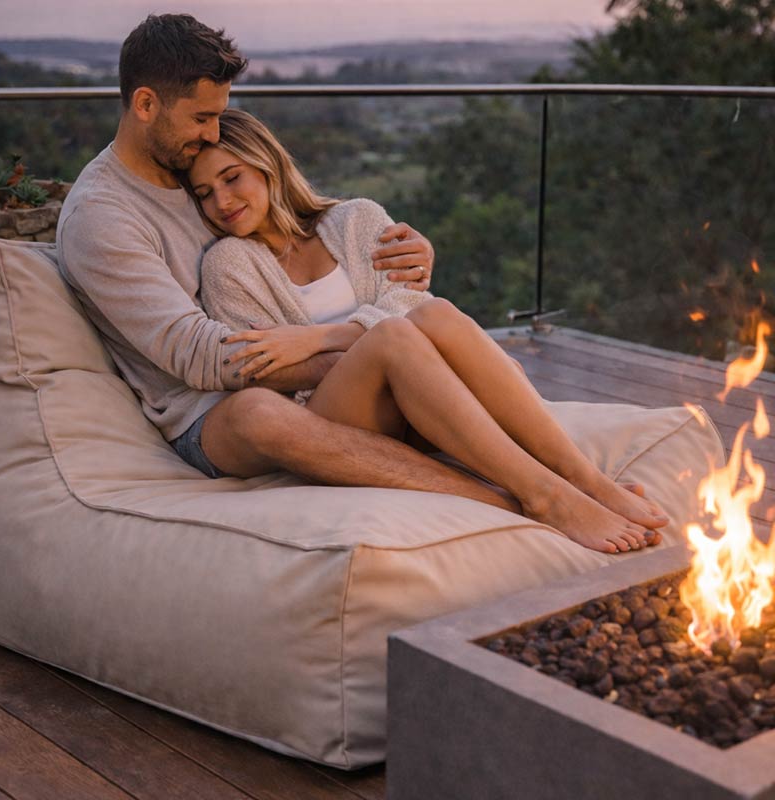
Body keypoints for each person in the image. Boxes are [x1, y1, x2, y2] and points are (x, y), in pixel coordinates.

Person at [56, 13, 532, 517]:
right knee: (262, 411)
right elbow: (199, 357)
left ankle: (554, 479)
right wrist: (365, 351)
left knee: (438, 340)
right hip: (206, 412)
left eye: (219, 116)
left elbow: (294, 226)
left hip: (301, 378)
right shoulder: (102, 217)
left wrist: (409, 254)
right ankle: (506, 503)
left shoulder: (190, 164)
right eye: (201, 118)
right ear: (146, 104)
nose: (213, 133)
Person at [185, 109, 670, 554]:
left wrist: (318, 337)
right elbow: (266, 369)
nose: (221, 202)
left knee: (436, 315)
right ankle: (546, 496)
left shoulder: (356, 219)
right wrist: (361, 342)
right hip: (331, 417)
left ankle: (586, 480)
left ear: (267, 165)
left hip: (415, 402)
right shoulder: (229, 265)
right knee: (394, 337)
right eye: (204, 193)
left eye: (232, 177)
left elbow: (412, 303)